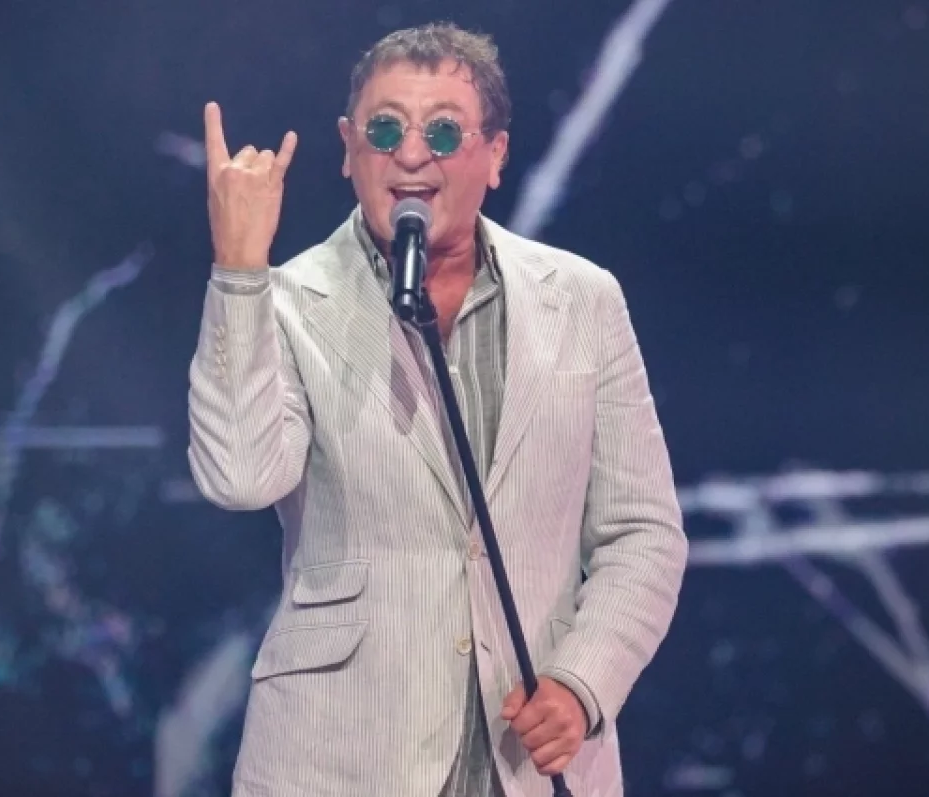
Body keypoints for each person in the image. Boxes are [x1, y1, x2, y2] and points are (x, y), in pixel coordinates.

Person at [187, 22, 687, 797]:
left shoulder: (583, 300)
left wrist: (581, 683)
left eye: (444, 132)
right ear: (349, 149)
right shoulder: (285, 303)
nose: (412, 155)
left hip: (528, 755)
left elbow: (644, 533)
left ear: (496, 154)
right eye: (385, 130)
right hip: (340, 762)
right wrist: (238, 272)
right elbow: (240, 477)